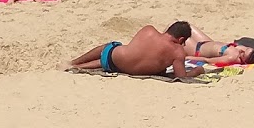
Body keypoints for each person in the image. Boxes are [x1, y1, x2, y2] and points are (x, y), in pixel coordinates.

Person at [66, 22, 196, 79]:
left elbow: (137, 52)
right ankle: (77, 65)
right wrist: (197, 71)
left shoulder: (149, 30)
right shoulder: (178, 52)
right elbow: (181, 77)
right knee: (111, 58)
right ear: (181, 39)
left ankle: (74, 63)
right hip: (125, 69)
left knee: (111, 47)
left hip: (114, 60)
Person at [181, 26, 254, 66]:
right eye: (246, 49)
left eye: (243, 55)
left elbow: (208, 60)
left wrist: (188, 58)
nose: (241, 50)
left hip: (196, 50)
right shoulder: (244, 50)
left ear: (245, 61)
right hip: (206, 42)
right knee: (186, 25)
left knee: (175, 29)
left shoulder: (231, 58)